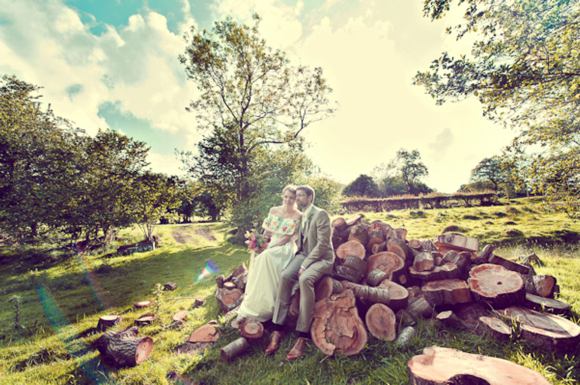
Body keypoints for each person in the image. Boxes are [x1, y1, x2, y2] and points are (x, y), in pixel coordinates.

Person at [265, 185, 334, 361]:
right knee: (285, 276)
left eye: (301, 195)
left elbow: (323, 244)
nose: (297, 199)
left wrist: (306, 264)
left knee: (304, 279)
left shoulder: (320, 214)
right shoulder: (302, 216)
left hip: (322, 259)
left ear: (310, 197)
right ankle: (277, 328)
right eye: (297, 196)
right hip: (303, 255)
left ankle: (303, 335)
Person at [236, 185, 302, 323]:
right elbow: (267, 232)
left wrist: (270, 248)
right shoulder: (274, 210)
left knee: (266, 256)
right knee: (257, 255)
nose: (288, 200)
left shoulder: (298, 215)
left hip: (284, 247)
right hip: (270, 243)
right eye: (286, 197)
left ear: (296, 199)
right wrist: (260, 244)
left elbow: (286, 237)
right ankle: (255, 304)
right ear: (282, 196)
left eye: (292, 198)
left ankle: (269, 306)